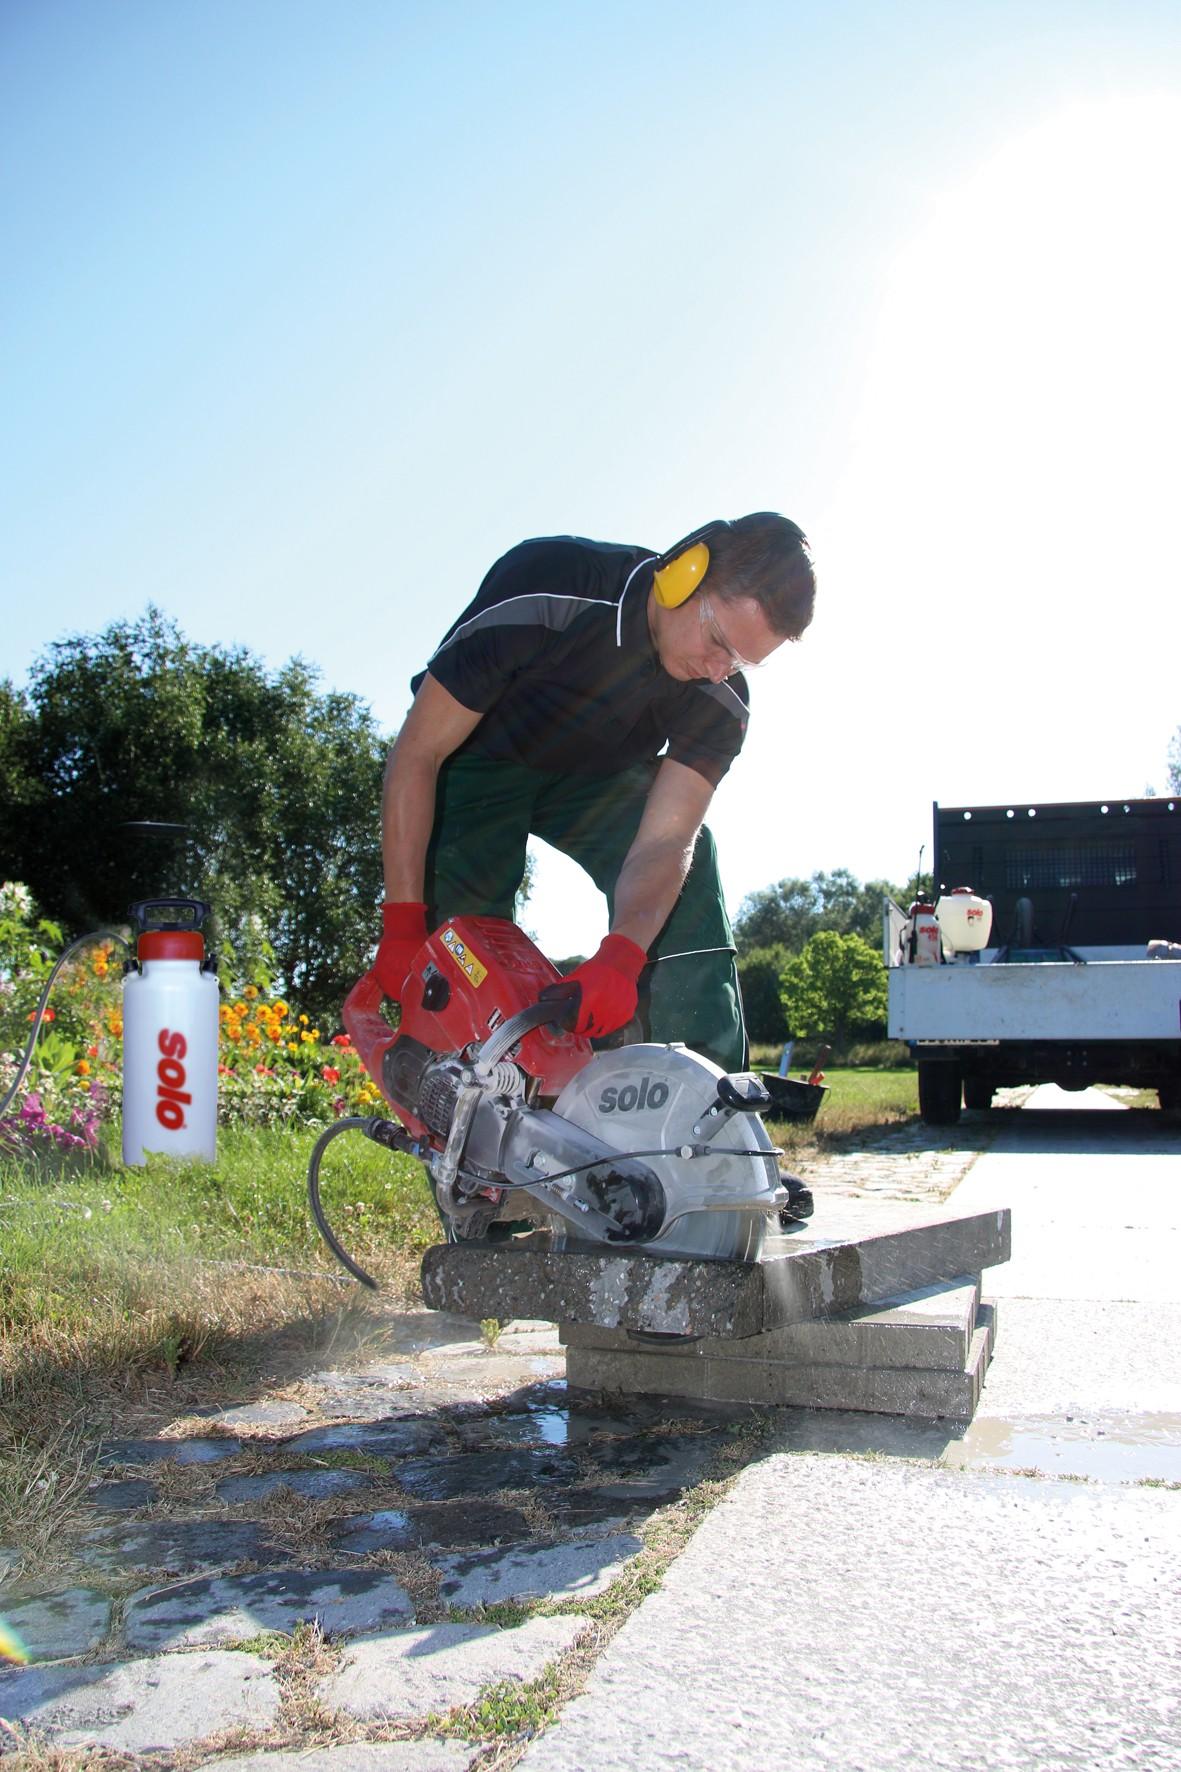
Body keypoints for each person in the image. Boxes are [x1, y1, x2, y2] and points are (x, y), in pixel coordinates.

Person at [374, 513, 815, 1072]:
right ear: (684, 572)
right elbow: (418, 754)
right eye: (718, 641)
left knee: (693, 861)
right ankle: (471, 1104)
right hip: (476, 758)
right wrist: (403, 920)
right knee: (465, 943)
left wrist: (623, 956)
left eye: (741, 661)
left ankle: (698, 1094)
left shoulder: (721, 697)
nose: (717, 670)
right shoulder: (548, 586)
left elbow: (666, 839)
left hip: (596, 779)